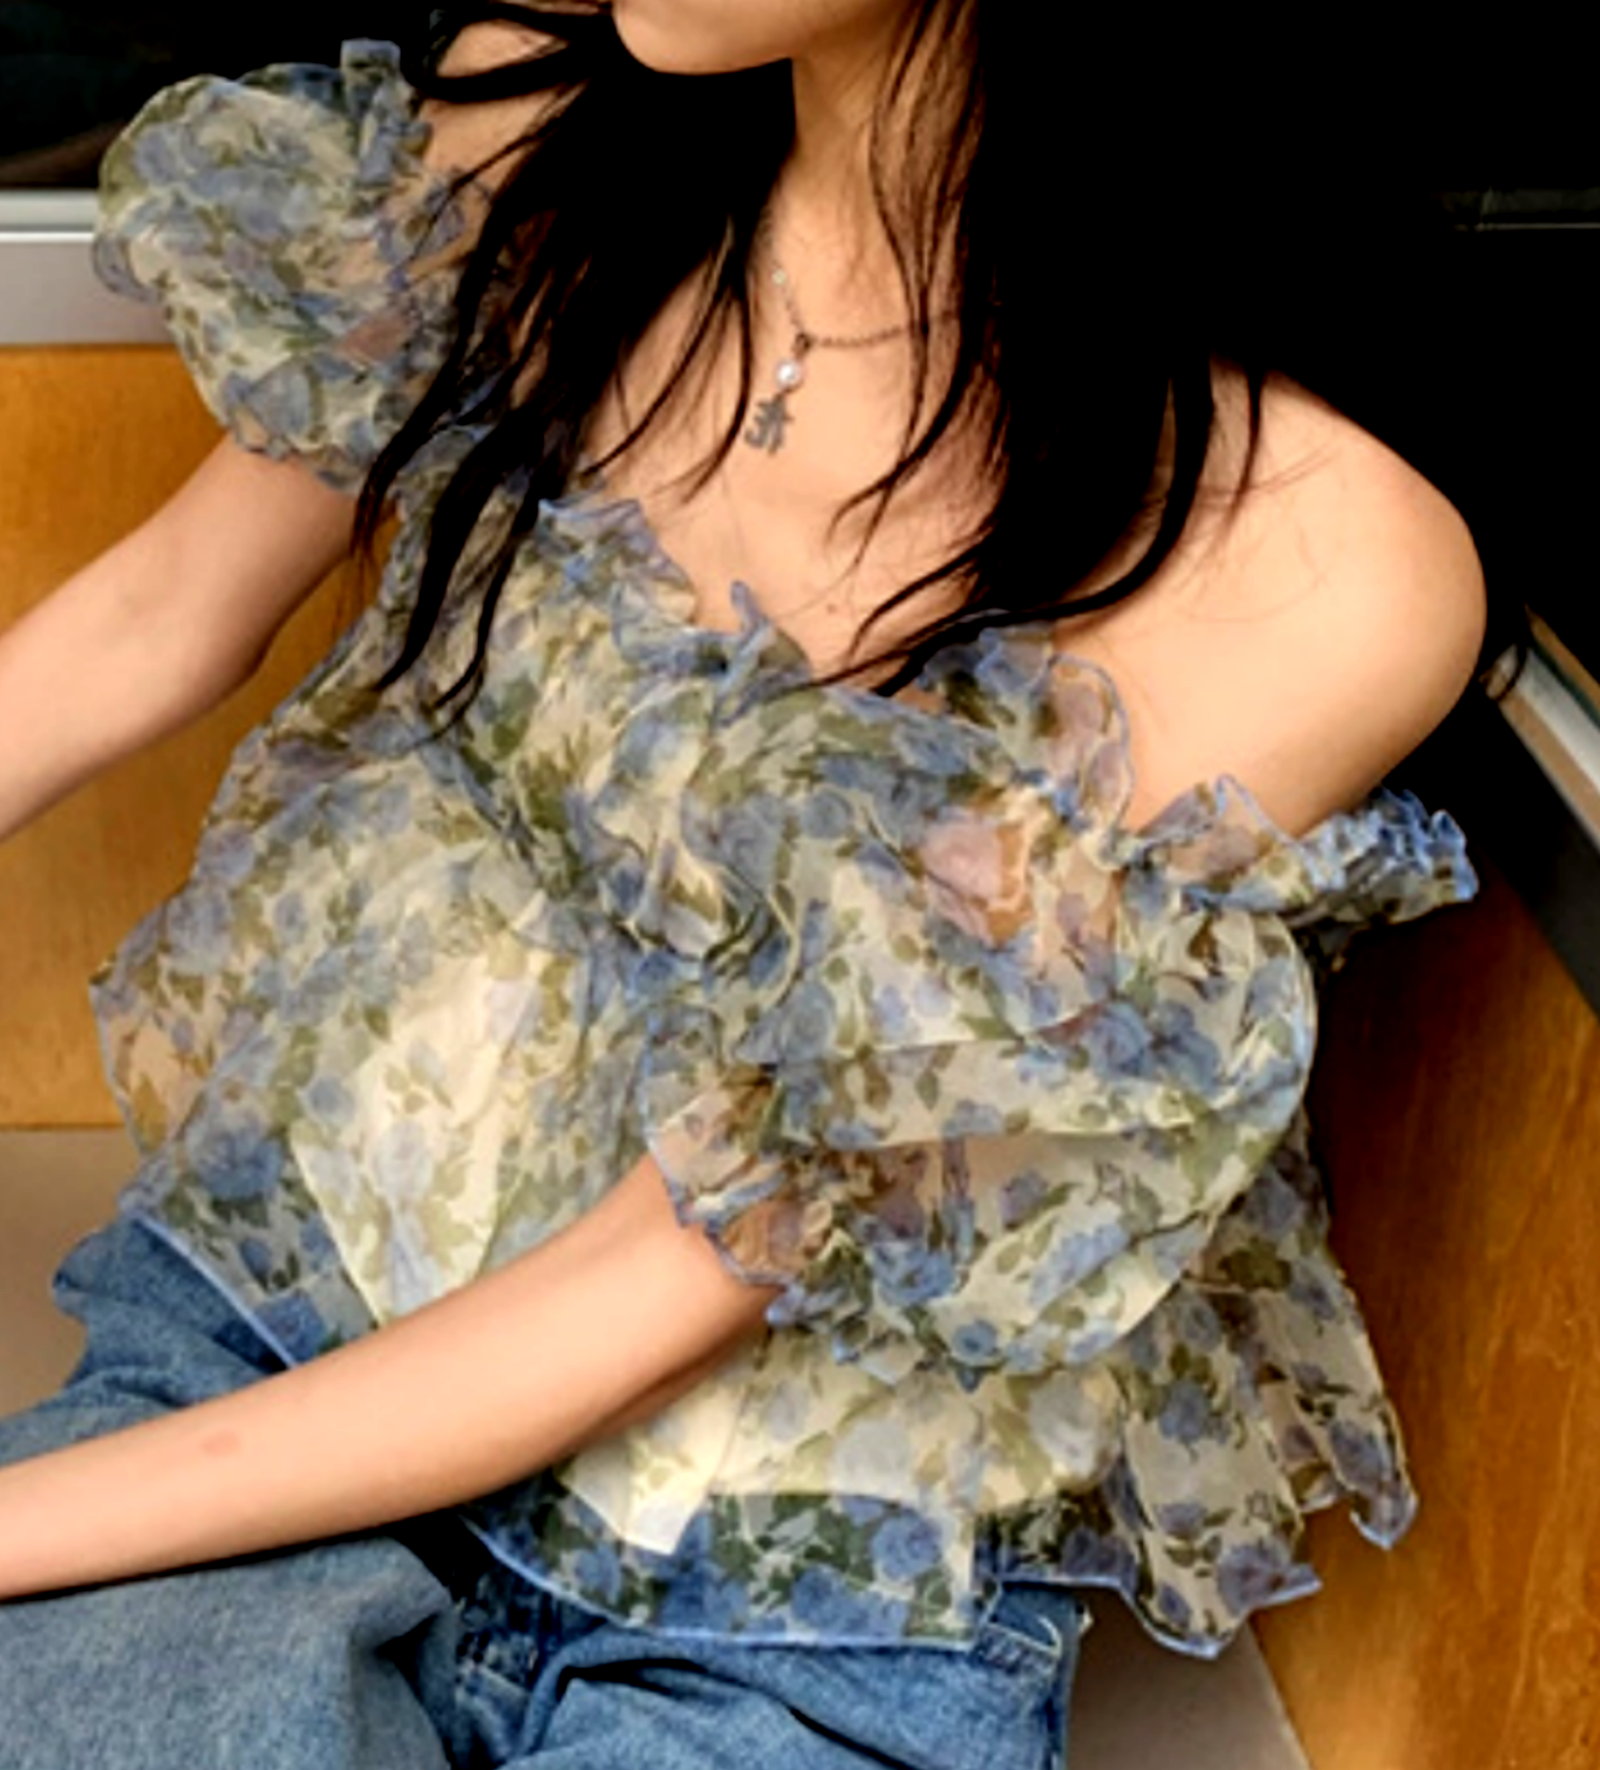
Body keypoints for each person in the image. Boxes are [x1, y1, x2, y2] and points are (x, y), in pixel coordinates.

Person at [0, 3, 1498, 1765]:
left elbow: (679, 1262)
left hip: (801, 1588)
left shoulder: (1312, 552)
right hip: (288, 1320)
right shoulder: (539, 140)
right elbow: (154, 616)